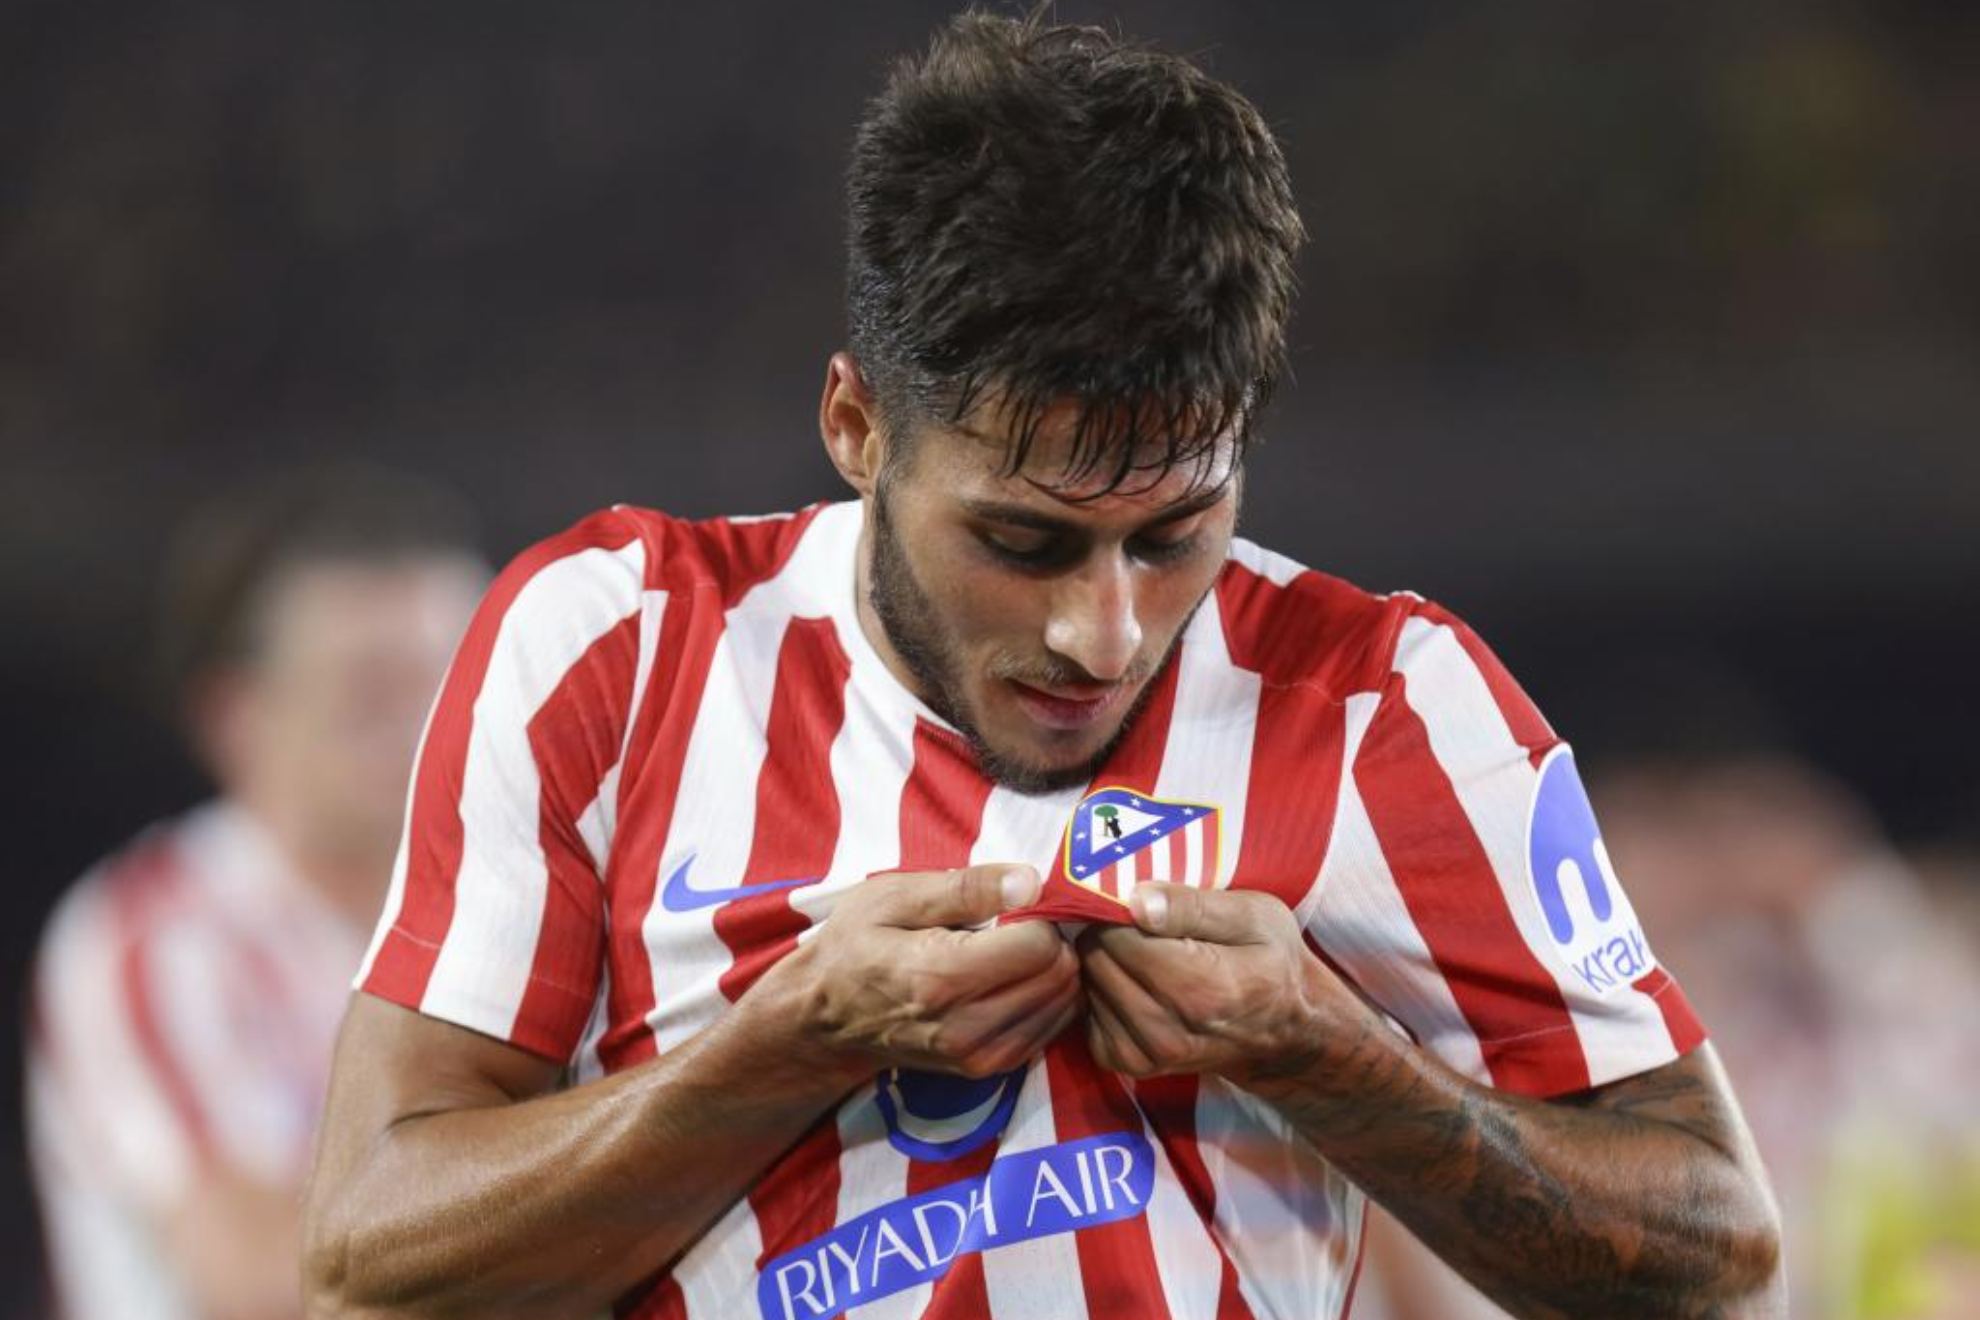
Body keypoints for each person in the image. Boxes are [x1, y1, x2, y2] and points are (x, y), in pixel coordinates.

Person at [303, 14, 1784, 1319]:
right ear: (856, 427)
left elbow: (1721, 1267)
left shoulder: (1384, 704)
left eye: (1174, 537)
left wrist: (1339, 1060)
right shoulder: (614, 646)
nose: (1105, 632)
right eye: (1023, 542)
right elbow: (372, 1269)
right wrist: (783, 1046)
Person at [28, 468, 486, 1320]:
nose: (431, 726)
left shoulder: (529, 904)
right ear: (236, 716)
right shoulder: (156, 937)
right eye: (371, 695)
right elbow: (262, 1273)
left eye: (454, 679)